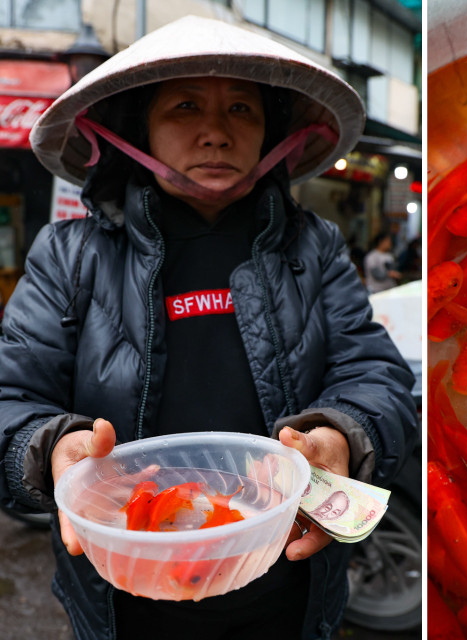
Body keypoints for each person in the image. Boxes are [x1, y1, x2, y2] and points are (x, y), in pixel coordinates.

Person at [0, 16, 418, 640]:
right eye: (186, 106)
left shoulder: (316, 245)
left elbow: (373, 371)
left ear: (272, 132)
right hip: (124, 599)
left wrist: (340, 437)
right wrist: (53, 452)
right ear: (137, 127)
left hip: (285, 593)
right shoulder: (69, 253)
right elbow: (11, 397)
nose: (217, 132)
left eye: (243, 109)